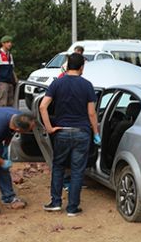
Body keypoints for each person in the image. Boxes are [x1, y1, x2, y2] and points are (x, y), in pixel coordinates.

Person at [40, 53, 101, 217]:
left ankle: (55, 202)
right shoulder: (87, 85)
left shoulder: (57, 84)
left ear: (67, 66)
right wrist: (96, 133)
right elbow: (91, 113)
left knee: (58, 167)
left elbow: (42, 106)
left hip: (62, 132)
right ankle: (72, 208)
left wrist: (49, 128)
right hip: (82, 133)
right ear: (82, 67)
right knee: (77, 170)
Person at [0, 35, 18, 107]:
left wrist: (16, 79)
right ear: (3, 43)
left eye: (10, 42)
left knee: (10, 104)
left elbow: (12, 69)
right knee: (2, 103)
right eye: (7, 42)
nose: (10, 44)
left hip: (10, 82)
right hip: (2, 83)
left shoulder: (10, 55)